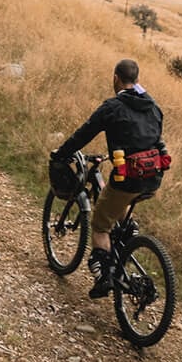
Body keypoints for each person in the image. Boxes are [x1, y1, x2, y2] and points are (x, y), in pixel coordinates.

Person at [51, 58, 167, 298]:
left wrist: (61, 154)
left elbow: (84, 133)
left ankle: (104, 277)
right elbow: (150, 140)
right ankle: (128, 232)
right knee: (117, 200)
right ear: (136, 79)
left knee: (100, 224)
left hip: (129, 179)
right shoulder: (153, 107)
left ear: (116, 78)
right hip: (153, 178)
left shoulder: (113, 107)